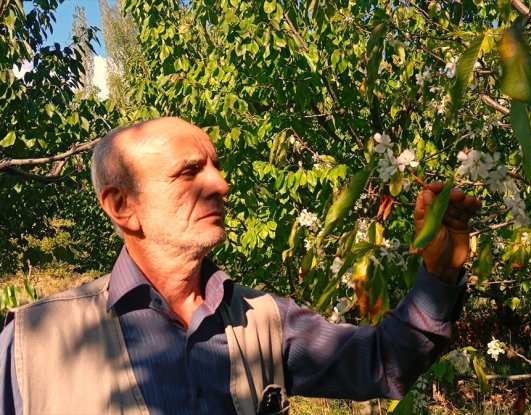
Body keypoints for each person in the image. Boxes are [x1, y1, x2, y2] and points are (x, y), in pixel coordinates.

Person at [0, 117, 481, 414]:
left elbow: (383, 363)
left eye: (215, 166)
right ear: (123, 206)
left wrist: (437, 277)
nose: (222, 184)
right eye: (190, 172)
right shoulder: (28, 344)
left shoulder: (264, 321)